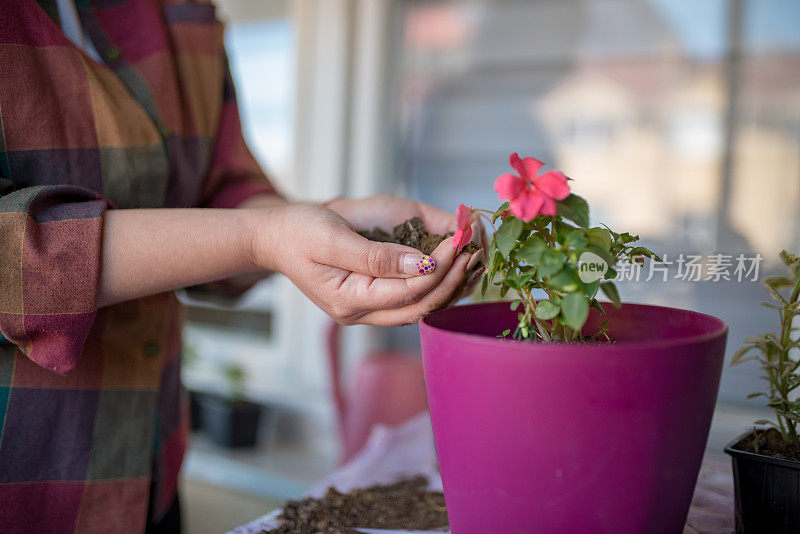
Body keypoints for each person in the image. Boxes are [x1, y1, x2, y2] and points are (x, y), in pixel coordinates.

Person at [0, 1, 484, 532]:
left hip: (147, 471)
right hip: (28, 477)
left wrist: (333, 222)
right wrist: (262, 239)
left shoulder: (183, 11)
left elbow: (225, 194)